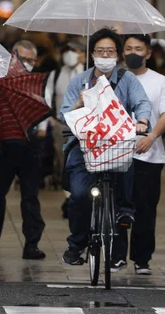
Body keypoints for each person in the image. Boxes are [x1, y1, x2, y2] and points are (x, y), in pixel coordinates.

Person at [60, 28, 152, 266]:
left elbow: (142, 103)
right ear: (92, 54)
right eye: (100, 51)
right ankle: (76, 244)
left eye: (110, 51)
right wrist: (79, 103)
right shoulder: (79, 81)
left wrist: (142, 121)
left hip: (116, 147)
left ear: (117, 55)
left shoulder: (126, 79)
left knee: (126, 163)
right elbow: (65, 116)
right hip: (85, 148)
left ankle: (124, 209)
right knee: (79, 196)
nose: (105, 55)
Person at [111, 34, 165, 274]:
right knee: (116, 205)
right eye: (128, 48)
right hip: (116, 154)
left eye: (138, 49)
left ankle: (142, 258)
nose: (132, 53)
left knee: (145, 207)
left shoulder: (160, 81)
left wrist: (151, 137)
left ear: (148, 53)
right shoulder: (111, 79)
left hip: (149, 155)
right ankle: (116, 255)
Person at [0, 40, 47, 261]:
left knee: (31, 197)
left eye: (31, 60)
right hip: (2, 144)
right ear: (12, 56)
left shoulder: (37, 82)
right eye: (22, 59)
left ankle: (32, 244)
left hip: (30, 145)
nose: (27, 64)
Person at [45, 41, 85, 188]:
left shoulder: (90, 75)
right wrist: (51, 119)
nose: (70, 54)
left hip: (84, 128)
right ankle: (66, 189)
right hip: (61, 125)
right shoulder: (55, 75)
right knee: (62, 160)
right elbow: (48, 97)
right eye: (67, 51)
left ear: (83, 55)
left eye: (74, 50)